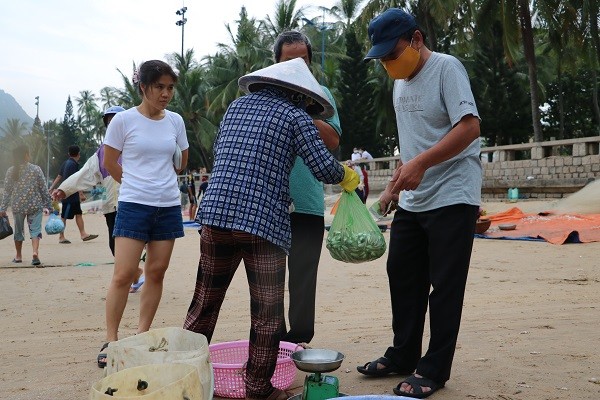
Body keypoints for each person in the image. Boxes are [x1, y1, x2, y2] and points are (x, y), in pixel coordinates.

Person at [183, 58, 359, 400]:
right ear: (299, 96)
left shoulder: (235, 107)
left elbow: (224, 155)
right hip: (262, 224)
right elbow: (322, 166)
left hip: (215, 215)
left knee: (203, 304)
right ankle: (258, 389)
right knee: (266, 314)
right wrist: (347, 176)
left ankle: (185, 380)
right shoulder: (296, 115)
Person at [357, 8, 482, 399]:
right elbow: (411, 147)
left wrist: (422, 164)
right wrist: (394, 186)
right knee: (402, 273)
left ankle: (433, 369)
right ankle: (402, 354)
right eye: (381, 60)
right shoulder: (398, 85)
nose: (388, 65)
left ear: (416, 39)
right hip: (414, 198)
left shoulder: (447, 69)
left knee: (445, 284)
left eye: (392, 55)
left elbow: (470, 127)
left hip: (453, 194)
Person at [99, 59, 189, 368]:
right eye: (159, 87)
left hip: (167, 206)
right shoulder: (123, 121)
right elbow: (110, 162)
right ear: (143, 87)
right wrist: (135, 183)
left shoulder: (175, 121)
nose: (165, 93)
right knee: (123, 274)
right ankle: (111, 340)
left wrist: (178, 158)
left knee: (156, 272)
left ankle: (142, 334)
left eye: (170, 88)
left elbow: (181, 162)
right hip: (134, 204)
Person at [273, 30, 342, 345]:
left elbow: (333, 140)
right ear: (276, 64)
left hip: (308, 203)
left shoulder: (322, 94)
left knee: (302, 277)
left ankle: (299, 338)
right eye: (289, 61)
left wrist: (302, 112)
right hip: (268, 204)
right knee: (268, 278)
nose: (297, 66)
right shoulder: (264, 96)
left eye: (303, 60)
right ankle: (271, 339)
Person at [51, 106, 145, 292]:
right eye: (109, 122)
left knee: (134, 242)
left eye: (116, 120)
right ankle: (135, 273)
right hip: (111, 205)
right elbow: (84, 173)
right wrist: (64, 189)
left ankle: (130, 277)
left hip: (136, 202)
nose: (113, 124)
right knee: (114, 244)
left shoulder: (139, 144)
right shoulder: (102, 152)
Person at [0, 145, 53, 265]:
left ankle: (18, 256)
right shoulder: (36, 169)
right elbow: (43, 189)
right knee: (35, 230)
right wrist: (49, 206)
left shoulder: (11, 171)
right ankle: (35, 253)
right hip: (35, 205)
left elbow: (7, 191)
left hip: (18, 206)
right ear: (26, 155)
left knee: (19, 231)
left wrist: (3, 208)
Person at [48, 145, 98, 244]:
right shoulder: (74, 165)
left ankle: (83, 234)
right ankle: (61, 237)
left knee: (78, 214)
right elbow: (76, 180)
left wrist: (52, 187)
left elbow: (59, 176)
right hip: (69, 195)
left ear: (68, 154)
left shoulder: (65, 163)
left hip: (66, 193)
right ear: (78, 154)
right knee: (65, 216)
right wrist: (81, 194)